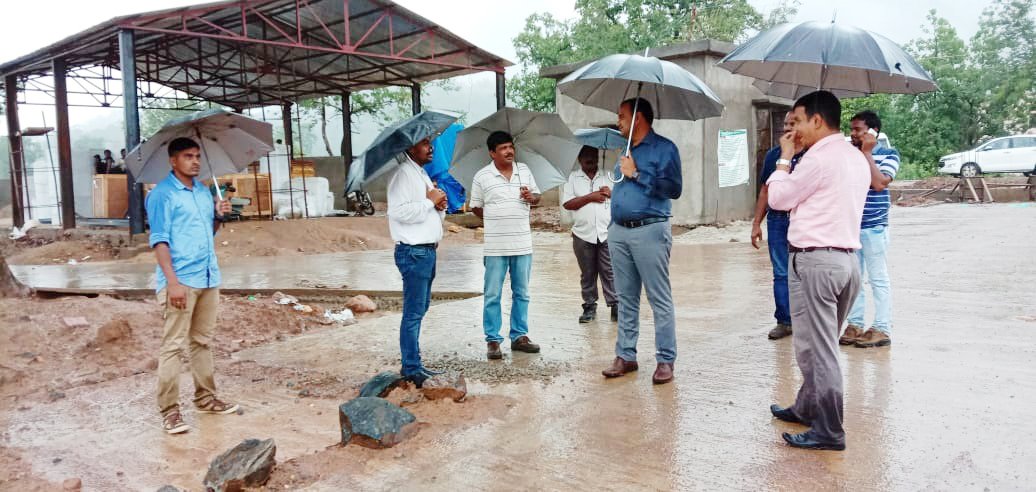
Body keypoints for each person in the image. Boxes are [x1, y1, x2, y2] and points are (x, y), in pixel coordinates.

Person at [766, 90, 870, 451]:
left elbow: (779, 199)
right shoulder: (855, 157)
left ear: (817, 120)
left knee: (819, 351)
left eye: (798, 120)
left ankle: (828, 429)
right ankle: (807, 406)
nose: (795, 129)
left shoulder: (817, 159)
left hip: (817, 262)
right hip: (844, 263)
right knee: (813, 345)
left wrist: (784, 159)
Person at [145, 137, 238, 435]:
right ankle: (170, 411)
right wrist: (172, 282)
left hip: (209, 276)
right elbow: (159, 240)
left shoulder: (202, 192)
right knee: (173, 346)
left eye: (198, 156)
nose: (195, 161)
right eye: (188, 156)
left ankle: (206, 397)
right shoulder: (162, 195)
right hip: (181, 280)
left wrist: (219, 216)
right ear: (173, 161)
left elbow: (208, 234)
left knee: (202, 342)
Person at [600, 98, 683, 385]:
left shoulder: (665, 149)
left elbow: (674, 189)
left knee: (658, 297)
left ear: (638, 118)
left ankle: (665, 360)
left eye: (621, 116)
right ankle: (625, 355)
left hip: (650, 229)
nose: (618, 121)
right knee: (625, 298)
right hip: (619, 232)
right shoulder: (625, 151)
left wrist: (636, 173)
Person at [469, 131, 542, 360]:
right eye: (503, 148)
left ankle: (519, 336)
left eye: (511, 147)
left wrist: (532, 198)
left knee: (522, 293)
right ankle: (493, 340)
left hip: (522, 244)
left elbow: (537, 198)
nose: (509, 151)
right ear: (492, 152)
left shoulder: (525, 171)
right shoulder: (482, 176)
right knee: (492, 294)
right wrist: (496, 219)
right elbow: (476, 207)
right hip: (495, 248)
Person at [387, 137, 448, 386]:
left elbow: (427, 212)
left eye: (430, 143)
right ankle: (411, 367)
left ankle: (414, 363)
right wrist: (428, 202)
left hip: (426, 251)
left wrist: (439, 206)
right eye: (424, 143)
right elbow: (398, 212)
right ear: (411, 148)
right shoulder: (403, 174)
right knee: (413, 313)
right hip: (414, 252)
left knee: (420, 309)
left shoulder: (420, 173)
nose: (430, 147)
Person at [841, 110, 900, 348]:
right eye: (852, 129)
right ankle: (855, 323)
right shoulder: (848, 156)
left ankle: (882, 327)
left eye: (858, 129)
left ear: (873, 131)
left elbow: (879, 183)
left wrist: (866, 153)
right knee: (854, 280)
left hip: (874, 227)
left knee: (878, 279)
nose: (853, 134)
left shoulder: (888, 154)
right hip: (851, 227)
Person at [751, 113, 806, 340]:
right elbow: (765, 190)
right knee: (781, 273)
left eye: (793, 123)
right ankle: (784, 321)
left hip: (802, 219)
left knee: (804, 271)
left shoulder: (812, 155)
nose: (788, 128)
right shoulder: (774, 155)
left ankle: (806, 321)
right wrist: (756, 223)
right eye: (785, 124)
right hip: (776, 221)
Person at [562, 145, 617, 323]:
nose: (590, 159)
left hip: (607, 233)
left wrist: (612, 194)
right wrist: (590, 197)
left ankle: (616, 306)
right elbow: (568, 204)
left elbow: (622, 199)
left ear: (598, 156)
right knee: (587, 273)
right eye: (585, 156)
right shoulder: (572, 178)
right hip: (582, 234)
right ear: (579, 159)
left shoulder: (609, 175)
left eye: (593, 155)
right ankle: (589, 307)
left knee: (610, 271)